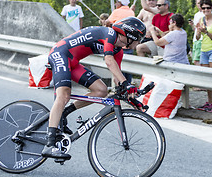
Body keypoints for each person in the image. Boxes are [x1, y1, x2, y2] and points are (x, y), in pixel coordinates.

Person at [41, 17, 146, 159]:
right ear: (130, 35)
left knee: (101, 91)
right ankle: (49, 145)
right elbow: (108, 61)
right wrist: (127, 84)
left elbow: (117, 76)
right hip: (60, 54)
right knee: (64, 95)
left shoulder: (118, 51)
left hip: (73, 62)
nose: (139, 42)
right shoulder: (109, 34)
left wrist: (131, 97)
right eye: (139, 38)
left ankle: (64, 113)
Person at [196, 0, 212, 112]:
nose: (206, 10)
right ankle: (209, 102)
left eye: (208, 7)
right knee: (207, 78)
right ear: (201, 9)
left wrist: (206, 31)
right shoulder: (201, 19)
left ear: (211, 8)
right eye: (204, 8)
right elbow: (197, 38)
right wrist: (198, 30)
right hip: (203, 49)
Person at [189, 0, 205, 66]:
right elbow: (195, 29)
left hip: (202, 39)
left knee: (197, 61)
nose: (200, 5)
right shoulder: (196, 15)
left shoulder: (207, 13)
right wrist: (192, 25)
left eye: (201, 3)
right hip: (195, 39)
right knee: (195, 60)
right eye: (198, 3)